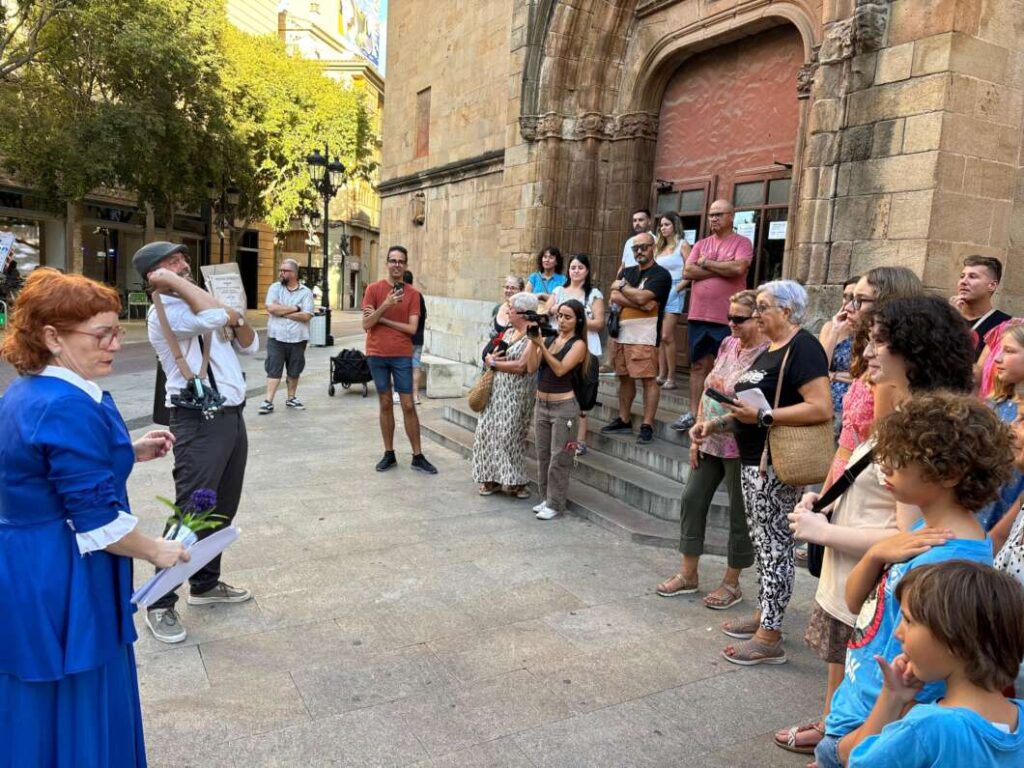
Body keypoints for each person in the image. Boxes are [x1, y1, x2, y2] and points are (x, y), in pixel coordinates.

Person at [0, 268, 189, 764]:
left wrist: (125, 449)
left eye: (115, 331)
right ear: (52, 338)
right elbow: (97, 521)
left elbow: (45, 468)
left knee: (40, 685)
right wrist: (159, 551)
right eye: (100, 334)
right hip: (62, 567)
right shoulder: (66, 404)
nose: (112, 344)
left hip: (31, 561)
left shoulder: (29, 391)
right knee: (76, 681)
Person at [778, 295, 975, 757]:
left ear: (915, 349)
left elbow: (910, 538)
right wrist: (824, 505)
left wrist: (821, 532)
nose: (866, 351)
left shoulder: (926, 431)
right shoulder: (909, 416)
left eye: (880, 341)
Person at [815, 392, 1013, 768]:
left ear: (949, 475)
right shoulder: (925, 532)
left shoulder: (949, 564)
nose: (887, 465)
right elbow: (858, 606)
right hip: (859, 711)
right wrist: (877, 552)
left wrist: (857, 743)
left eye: (904, 458)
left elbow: (928, 681)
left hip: (872, 726)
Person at [703, 280, 831, 665]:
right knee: (763, 542)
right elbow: (751, 409)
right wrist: (716, 424)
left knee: (775, 544)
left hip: (774, 462)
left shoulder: (802, 347)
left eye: (762, 307)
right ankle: (764, 611)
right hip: (751, 458)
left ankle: (770, 635)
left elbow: (821, 407)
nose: (756, 314)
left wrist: (765, 415)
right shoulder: (769, 349)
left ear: (788, 311)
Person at [135, 241, 257, 644]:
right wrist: (171, 283)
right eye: (173, 263)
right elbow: (216, 315)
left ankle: (205, 584)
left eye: (183, 261)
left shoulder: (197, 305)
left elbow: (250, 343)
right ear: (155, 275)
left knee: (222, 506)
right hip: (197, 420)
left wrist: (234, 314)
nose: (185, 266)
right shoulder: (163, 312)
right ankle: (160, 601)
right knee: (192, 507)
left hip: (231, 416)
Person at [847, 561, 1024, 767]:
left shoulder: (925, 730)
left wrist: (890, 698)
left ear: (954, 640)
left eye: (908, 621)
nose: (898, 633)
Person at [656, 290, 766, 609]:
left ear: (758, 318)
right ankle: (688, 574)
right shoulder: (728, 344)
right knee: (692, 498)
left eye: (738, 319)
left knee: (738, 514)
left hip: (742, 444)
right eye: (728, 317)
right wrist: (696, 436)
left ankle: (732, 583)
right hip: (710, 438)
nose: (730, 324)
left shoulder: (766, 354)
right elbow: (709, 389)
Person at [673, 200, 752, 433]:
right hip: (698, 315)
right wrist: (721, 267)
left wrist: (705, 264)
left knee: (730, 367)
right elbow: (688, 271)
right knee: (698, 365)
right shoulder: (700, 244)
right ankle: (694, 412)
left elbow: (738, 269)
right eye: (711, 215)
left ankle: (725, 415)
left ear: (731, 217)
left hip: (729, 318)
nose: (714, 219)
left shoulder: (742, 242)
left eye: (719, 214)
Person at [362, 246, 437, 474]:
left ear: (405, 265)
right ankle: (389, 453)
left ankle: (418, 455)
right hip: (377, 354)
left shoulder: (413, 294)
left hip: (402, 355)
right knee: (385, 403)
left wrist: (383, 320)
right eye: (393, 261)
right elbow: (366, 325)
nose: (396, 265)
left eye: (401, 261)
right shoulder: (374, 290)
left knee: (408, 405)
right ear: (387, 263)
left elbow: (412, 328)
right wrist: (385, 305)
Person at [601, 232, 672, 445]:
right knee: (624, 377)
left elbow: (640, 295)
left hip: (645, 336)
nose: (639, 251)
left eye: (644, 247)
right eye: (635, 248)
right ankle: (624, 419)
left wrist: (624, 289)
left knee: (648, 379)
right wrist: (639, 302)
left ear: (653, 248)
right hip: (622, 334)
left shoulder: (661, 275)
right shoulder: (629, 272)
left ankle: (647, 424)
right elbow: (614, 296)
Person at [474, 292, 540, 499]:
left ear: (522, 312)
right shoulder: (509, 331)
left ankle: (516, 482)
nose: (507, 310)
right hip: (496, 392)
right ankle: (490, 479)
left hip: (517, 394)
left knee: (509, 436)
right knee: (485, 431)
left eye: (510, 308)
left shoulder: (533, 334)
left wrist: (494, 364)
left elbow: (522, 367)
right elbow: (493, 354)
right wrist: (490, 358)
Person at [527, 299, 588, 520]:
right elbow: (532, 367)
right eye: (560, 316)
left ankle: (556, 503)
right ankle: (546, 498)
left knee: (559, 457)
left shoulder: (578, 344)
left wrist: (542, 345)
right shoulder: (551, 338)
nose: (561, 320)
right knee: (542, 455)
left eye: (567, 317)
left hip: (564, 407)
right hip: (541, 404)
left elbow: (561, 369)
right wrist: (534, 343)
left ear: (578, 320)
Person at [549, 254, 604, 455]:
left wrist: (576, 321)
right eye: (573, 267)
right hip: (561, 345)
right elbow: (548, 312)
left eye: (580, 267)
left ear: (587, 271)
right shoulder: (559, 291)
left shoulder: (593, 294)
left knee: (580, 394)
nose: (576, 271)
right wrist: (556, 310)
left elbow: (598, 323)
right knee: (559, 391)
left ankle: (580, 440)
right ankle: (559, 436)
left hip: (585, 347)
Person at [976, 323, 1024, 533]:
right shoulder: (994, 404)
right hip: (982, 501)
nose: (997, 359)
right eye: (999, 350)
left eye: (1010, 351)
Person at [259, 258, 314, 415]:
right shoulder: (275, 288)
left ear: (294, 273)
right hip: (277, 337)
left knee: (294, 369)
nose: (281, 273)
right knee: (273, 368)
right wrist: (296, 308)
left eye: (285, 271)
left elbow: (307, 315)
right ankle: (268, 401)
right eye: (281, 270)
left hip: (298, 338)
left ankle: (291, 398)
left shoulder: (306, 292)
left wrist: (283, 313)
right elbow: (270, 308)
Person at [653, 212, 691, 391]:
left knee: (667, 335)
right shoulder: (658, 247)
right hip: (659, 288)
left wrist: (676, 290)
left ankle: (671, 377)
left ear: (675, 225)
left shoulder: (682, 245)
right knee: (660, 336)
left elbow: (690, 272)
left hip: (675, 287)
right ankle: (661, 373)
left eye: (667, 224)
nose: (663, 228)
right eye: (661, 225)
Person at [819, 277, 859, 438]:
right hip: (828, 403)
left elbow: (863, 376)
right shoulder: (830, 327)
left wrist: (833, 375)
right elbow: (819, 368)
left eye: (854, 298)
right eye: (845, 296)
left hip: (853, 406)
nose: (848, 303)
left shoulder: (869, 332)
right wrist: (835, 330)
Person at [951, 255, 1010, 360]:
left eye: (972, 276)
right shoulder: (943, 317)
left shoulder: (1005, 325)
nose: (963, 281)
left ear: (992, 285)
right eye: (962, 276)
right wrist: (948, 319)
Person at [392, 270, 427, 406]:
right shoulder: (419, 296)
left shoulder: (402, 296)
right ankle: (415, 396)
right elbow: (423, 316)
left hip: (404, 338)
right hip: (418, 338)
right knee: (415, 366)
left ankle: (397, 394)